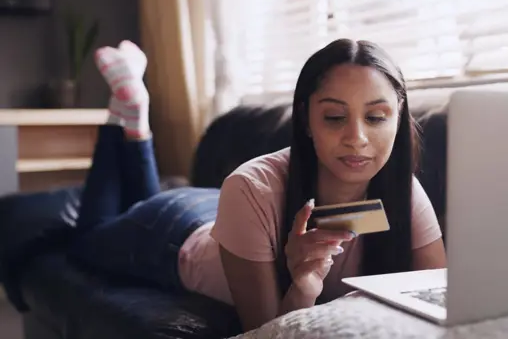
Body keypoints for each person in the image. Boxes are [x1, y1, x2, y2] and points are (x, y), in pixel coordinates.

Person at [70, 38, 446, 333]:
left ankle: (132, 120)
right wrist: (302, 288)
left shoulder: (404, 191)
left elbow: (439, 304)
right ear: (306, 120)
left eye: (376, 117)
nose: (357, 138)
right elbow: (265, 332)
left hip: (222, 213)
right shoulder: (251, 187)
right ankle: (128, 118)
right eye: (334, 117)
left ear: (398, 117)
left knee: (136, 199)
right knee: (86, 239)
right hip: (172, 233)